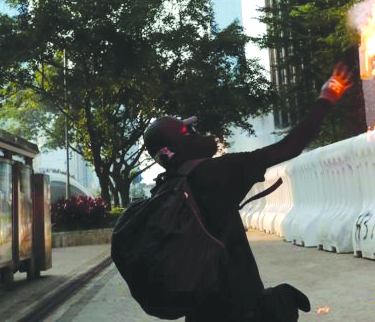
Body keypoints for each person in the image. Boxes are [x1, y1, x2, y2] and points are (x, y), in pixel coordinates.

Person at [143, 63, 354, 322]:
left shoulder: (165, 190)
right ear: (174, 148)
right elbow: (290, 147)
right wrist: (327, 97)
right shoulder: (217, 173)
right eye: (188, 131)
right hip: (240, 311)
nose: (197, 134)